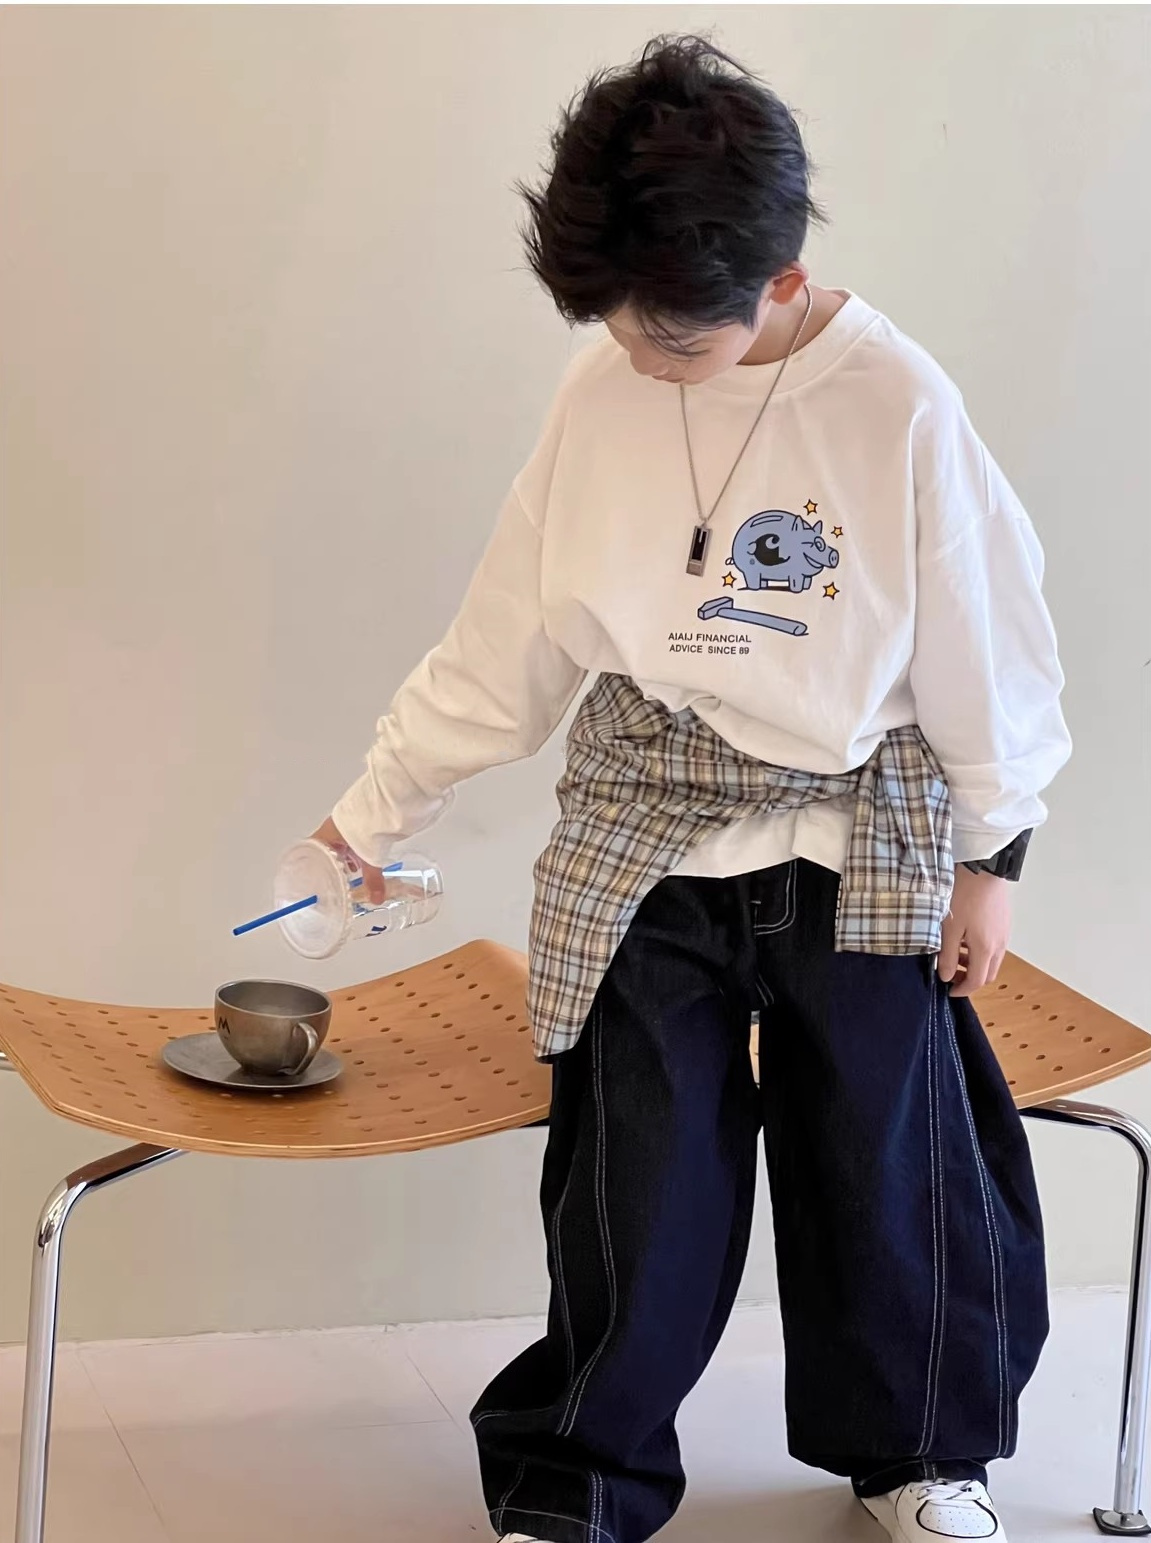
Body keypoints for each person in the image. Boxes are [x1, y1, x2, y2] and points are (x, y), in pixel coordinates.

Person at [313, 35, 1070, 1543]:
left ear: (783, 278)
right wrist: (367, 817)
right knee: (633, 1183)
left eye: (673, 331)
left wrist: (996, 859)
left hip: (862, 829)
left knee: (892, 1162)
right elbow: (509, 638)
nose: (640, 354)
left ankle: (922, 1458)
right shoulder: (604, 386)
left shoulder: (899, 404)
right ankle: (575, 1485)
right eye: (617, 320)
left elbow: (992, 648)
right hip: (646, 828)